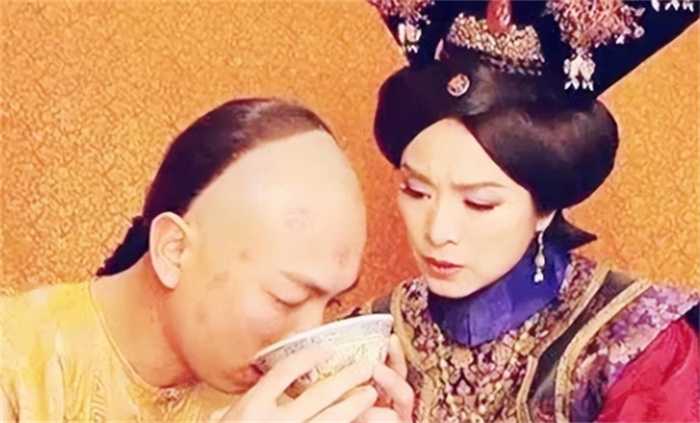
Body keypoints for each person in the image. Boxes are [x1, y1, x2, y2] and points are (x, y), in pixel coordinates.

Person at [359, 1, 699, 422]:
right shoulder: (372, 336)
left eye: (479, 202)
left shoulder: (635, 343)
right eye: (415, 191)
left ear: (545, 206)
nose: (438, 230)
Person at [0, 98, 414, 422]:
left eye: (332, 304)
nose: (308, 341)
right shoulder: (17, 364)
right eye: (285, 298)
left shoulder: (281, 403)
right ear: (174, 250)